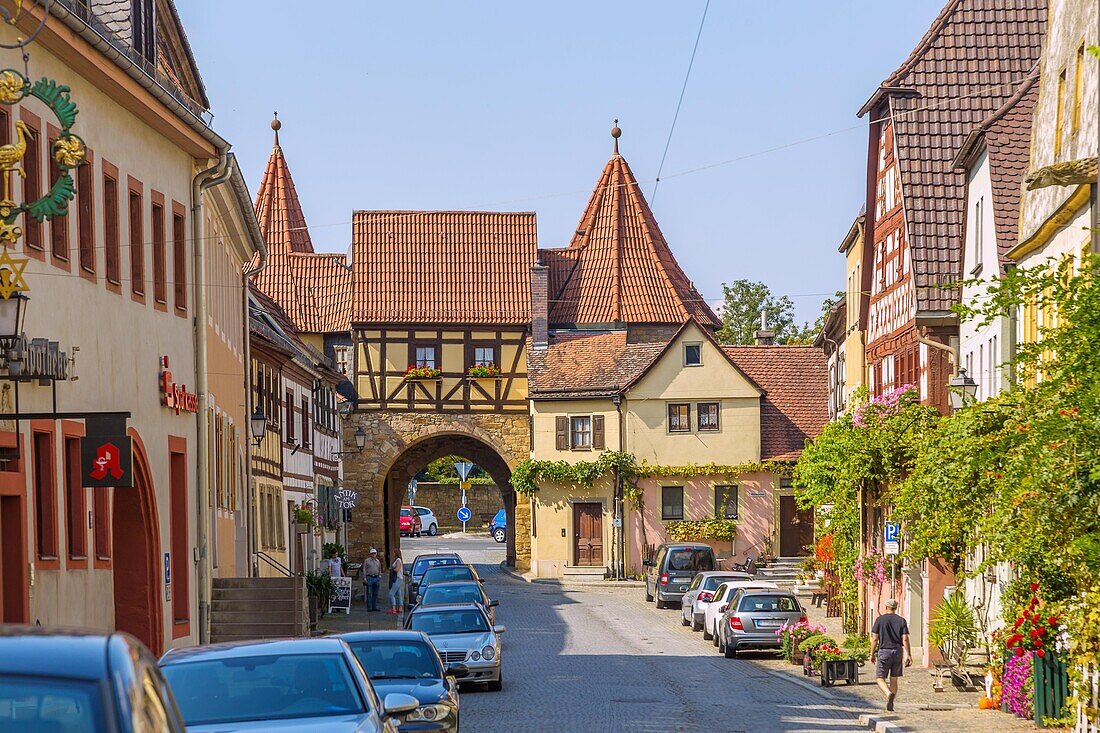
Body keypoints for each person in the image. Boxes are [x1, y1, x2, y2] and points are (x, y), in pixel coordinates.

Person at [871, 598, 912, 711]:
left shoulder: (880, 620)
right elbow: (905, 639)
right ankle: (891, 703)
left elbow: (875, 639)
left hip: (884, 651)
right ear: (896, 608)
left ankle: (888, 693)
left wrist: (872, 653)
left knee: (880, 678)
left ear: (886, 607)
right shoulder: (901, 621)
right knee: (894, 679)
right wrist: (909, 655)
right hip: (897, 651)